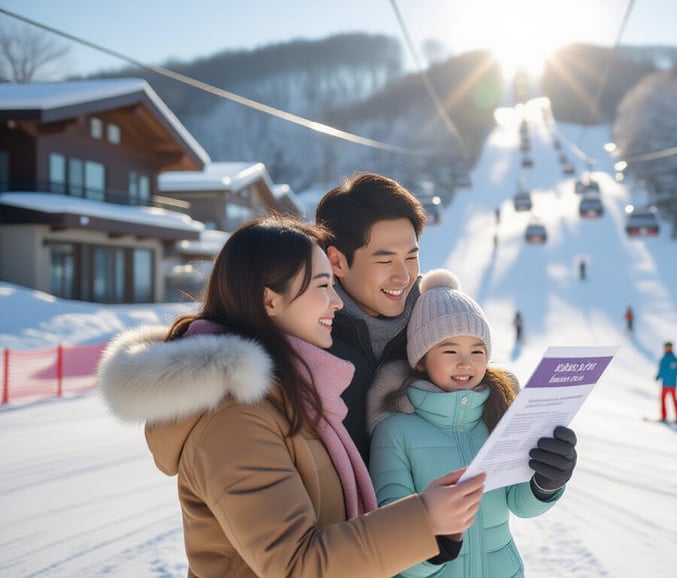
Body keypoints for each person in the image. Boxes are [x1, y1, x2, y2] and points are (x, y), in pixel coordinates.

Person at [97, 215, 486, 577]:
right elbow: (295, 565)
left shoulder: (294, 393)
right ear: (270, 300)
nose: (335, 302)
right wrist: (424, 520)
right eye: (322, 287)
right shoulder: (232, 417)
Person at [367, 269, 577, 577]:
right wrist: (433, 534)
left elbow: (521, 505)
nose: (466, 362)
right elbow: (394, 546)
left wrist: (546, 483)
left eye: (477, 351)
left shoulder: (497, 415)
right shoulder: (395, 432)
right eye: (450, 350)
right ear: (421, 359)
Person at [315, 172, 427, 461]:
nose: (404, 276)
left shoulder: (435, 328)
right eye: (385, 260)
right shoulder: (307, 340)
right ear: (336, 261)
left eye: (411, 258)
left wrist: (540, 482)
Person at [654, 341, 677, 424]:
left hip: (672, 384)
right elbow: (661, 370)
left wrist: (672, 373)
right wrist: (659, 376)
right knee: (663, 399)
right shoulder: (663, 359)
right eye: (666, 347)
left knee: (674, 400)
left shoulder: (674, 359)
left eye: (669, 347)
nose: (668, 349)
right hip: (665, 384)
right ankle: (664, 416)